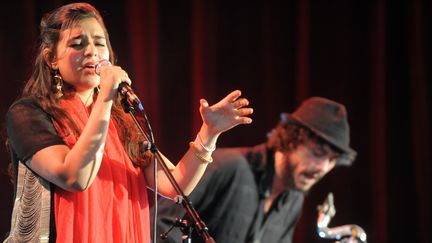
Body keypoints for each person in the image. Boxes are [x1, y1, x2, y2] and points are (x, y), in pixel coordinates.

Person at [3, 3, 253, 243]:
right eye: (78, 44)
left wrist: (208, 133)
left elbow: (174, 184)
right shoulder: (29, 113)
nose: (92, 51)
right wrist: (106, 96)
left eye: (100, 43)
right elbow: (75, 177)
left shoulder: (120, 120)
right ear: (51, 59)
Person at [155, 96, 357, 243]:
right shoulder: (228, 167)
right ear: (292, 139)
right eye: (319, 152)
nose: (323, 167)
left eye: (332, 161)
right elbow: (159, 224)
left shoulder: (294, 200)